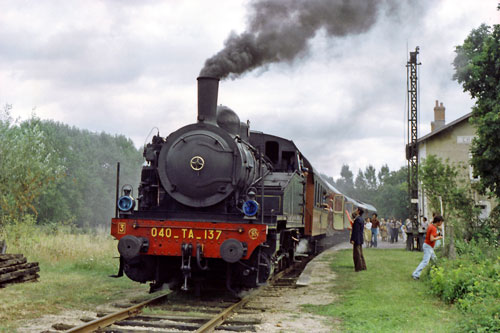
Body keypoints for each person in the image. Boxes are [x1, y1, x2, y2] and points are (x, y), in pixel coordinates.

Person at [412, 215, 444, 280]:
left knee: (435, 260)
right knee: (425, 262)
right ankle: (415, 274)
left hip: (428, 246)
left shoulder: (431, 226)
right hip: (428, 246)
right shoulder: (434, 228)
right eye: (441, 222)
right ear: (438, 222)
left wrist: (437, 234)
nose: (441, 224)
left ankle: (436, 273)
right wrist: (439, 238)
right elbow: (432, 239)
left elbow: (432, 235)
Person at [350, 207, 366, 272]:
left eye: (356, 210)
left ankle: (358, 267)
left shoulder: (357, 220)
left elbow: (355, 231)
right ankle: (363, 266)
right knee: (360, 253)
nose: (355, 211)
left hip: (357, 238)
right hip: (360, 238)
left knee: (357, 254)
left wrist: (353, 239)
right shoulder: (361, 219)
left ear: (358, 211)